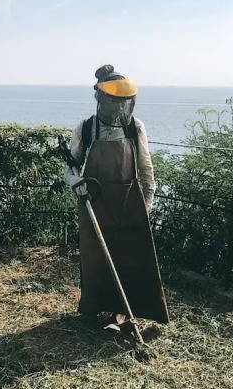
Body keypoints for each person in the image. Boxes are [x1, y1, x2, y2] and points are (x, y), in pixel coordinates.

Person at [66, 64, 170, 330]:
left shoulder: (135, 127)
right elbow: (71, 165)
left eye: (123, 101)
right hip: (94, 201)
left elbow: (145, 167)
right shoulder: (86, 128)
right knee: (94, 257)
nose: (119, 105)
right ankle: (92, 306)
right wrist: (75, 181)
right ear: (100, 98)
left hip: (127, 202)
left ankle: (121, 314)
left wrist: (148, 201)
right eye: (113, 100)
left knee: (129, 258)